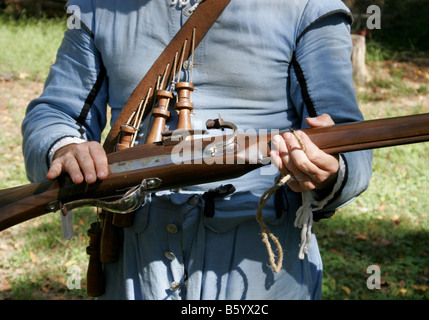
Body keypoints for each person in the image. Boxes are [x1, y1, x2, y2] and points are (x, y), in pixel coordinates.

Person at [22, 0, 372, 300]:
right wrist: (64, 147)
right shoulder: (100, 6)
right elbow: (56, 111)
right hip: (137, 260)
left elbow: (346, 136)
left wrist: (330, 171)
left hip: (261, 263)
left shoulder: (307, 6)